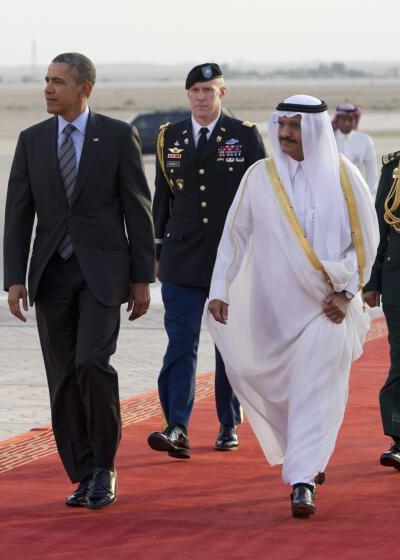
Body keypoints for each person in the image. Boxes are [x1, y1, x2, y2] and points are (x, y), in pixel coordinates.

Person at [206, 95, 378, 518]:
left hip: (327, 309)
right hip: (275, 310)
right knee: (254, 375)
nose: (284, 135)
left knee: (315, 392)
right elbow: (234, 235)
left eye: (294, 128)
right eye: (281, 127)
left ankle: (301, 480)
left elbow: (365, 244)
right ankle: (308, 456)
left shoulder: (345, 177)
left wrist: (347, 293)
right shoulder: (260, 177)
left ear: (315, 130)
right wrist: (220, 289)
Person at [3, 53, 155, 510]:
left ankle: (105, 467)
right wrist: (15, 279)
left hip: (104, 274)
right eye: (47, 81)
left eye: (59, 82)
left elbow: (137, 208)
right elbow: (18, 213)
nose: (49, 89)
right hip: (51, 274)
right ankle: (83, 470)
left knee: (92, 363)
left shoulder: (116, 136)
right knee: (63, 377)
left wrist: (142, 276)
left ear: (85, 88)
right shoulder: (31, 141)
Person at [149, 63, 266, 458]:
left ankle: (228, 421)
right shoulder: (171, 137)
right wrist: (157, 253)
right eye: (195, 90)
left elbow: (260, 198)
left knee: (227, 346)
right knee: (180, 342)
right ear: (188, 95)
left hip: (229, 258)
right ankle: (177, 426)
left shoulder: (244, 136)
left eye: (208, 90)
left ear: (222, 93)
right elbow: (161, 201)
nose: (201, 97)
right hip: (181, 259)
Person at [363, 149, 400, 470]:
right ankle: (399, 439)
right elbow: (379, 229)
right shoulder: (394, 169)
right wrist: (372, 281)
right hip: (397, 278)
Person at [333, 103, 378, 194]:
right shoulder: (329, 139)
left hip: (357, 192)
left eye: (350, 119)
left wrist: (371, 196)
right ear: (338, 120)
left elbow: (372, 173)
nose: (347, 123)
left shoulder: (365, 140)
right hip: (334, 192)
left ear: (355, 120)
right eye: (343, 119)